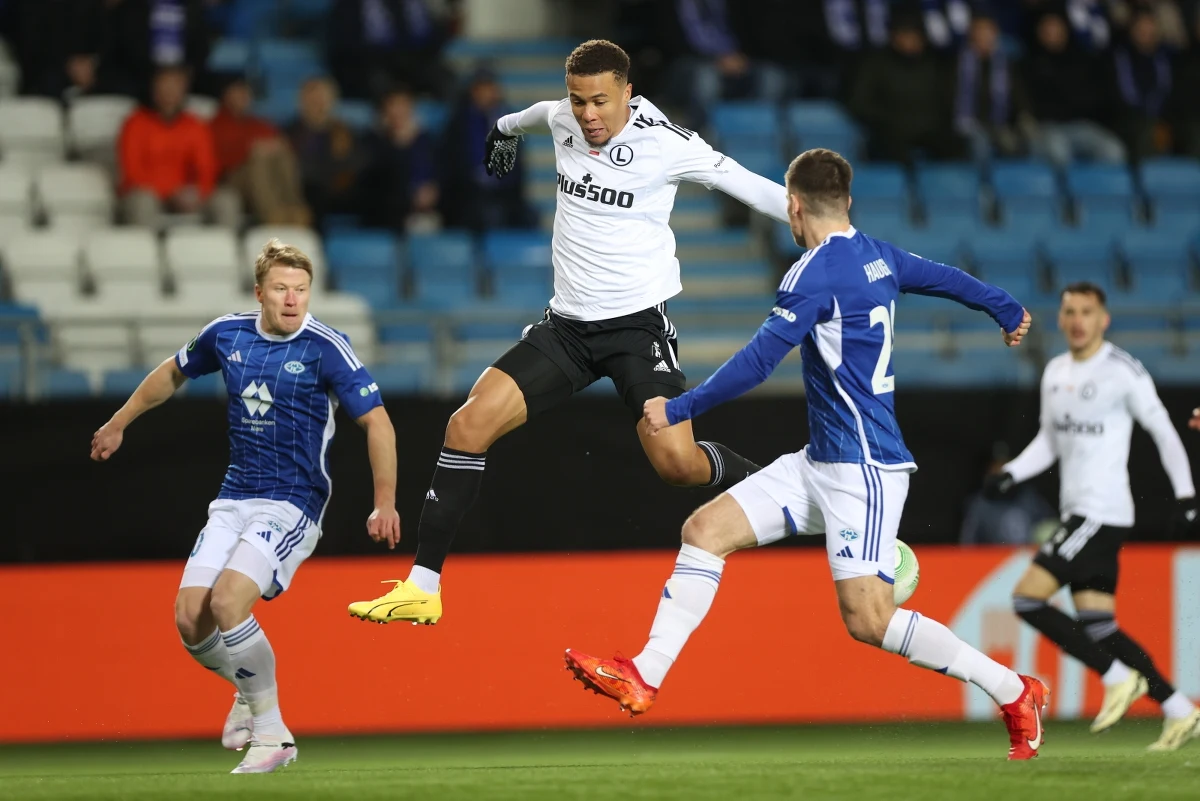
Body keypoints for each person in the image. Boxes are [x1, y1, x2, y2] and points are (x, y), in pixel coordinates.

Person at [564, 148, 1050, 761]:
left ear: (793, 206)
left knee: (868, 621)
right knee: (705, 529)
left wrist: (678, 410)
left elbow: (759, 363)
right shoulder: (879, 255)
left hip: (863, 469)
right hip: (820, 461)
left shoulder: (811, 273)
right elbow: (946, 277)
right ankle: (645, 674)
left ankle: (1013, 690)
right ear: (845, 202)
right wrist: (1005, 307)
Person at [347, 39, 790, 625]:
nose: (588, 115)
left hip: (636, 333)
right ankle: (422, 587)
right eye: (579, 101)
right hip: (567, 330)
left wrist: (828, 228)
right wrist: (501, 133)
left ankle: (787, 490)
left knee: (677, 466)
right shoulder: (562, 118)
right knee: (466, 424)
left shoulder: (667, 143)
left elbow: (749, 185)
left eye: (600, 102)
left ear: (628, 92)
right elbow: (523, 117)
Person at [89, 239, 400, 773]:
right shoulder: (226, 334)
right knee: (191, 618)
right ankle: (248, 694)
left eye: (301, 290)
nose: (292, 299)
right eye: (281, 288)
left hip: (293, 500)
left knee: (231, 602)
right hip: (234, 497)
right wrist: (119, 422)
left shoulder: (327, 347)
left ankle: (273, 734)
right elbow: (171, 373)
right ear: (260, 292)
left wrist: (384, 502)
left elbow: (378, 423)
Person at [986, 282, 1200, 752]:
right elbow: (1049, 440)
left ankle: (1118, 676)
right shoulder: (1056, 371)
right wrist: (1013, 473)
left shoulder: (1123, 371)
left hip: (1100, 512)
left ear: (1103, 319)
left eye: (1087, 311)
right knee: (1099, 625)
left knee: (1027, 600)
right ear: (1061, 320)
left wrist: (1186, 495)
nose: (1078, 320)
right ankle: (1179, 709)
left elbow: (1163, 431)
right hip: (1081, 512)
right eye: (1070, 312)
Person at [118, 66, 241, 228]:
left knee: (226, 200)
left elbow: (207, 169)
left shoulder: (195, 125)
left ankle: (224, 251)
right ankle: (146, 252)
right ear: (154, 90)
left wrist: (197, 192)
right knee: (143, 202)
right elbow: (132, 174)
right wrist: (169, 193)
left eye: (175, 85)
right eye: (164, 85)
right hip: (148, 196)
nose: (169, 91)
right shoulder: (135, 123)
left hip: (187, 196)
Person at [210, 75, 311, 226]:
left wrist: (277, 147)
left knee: (283, 155)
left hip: (268, 177)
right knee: (258, 159)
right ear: (226, 95)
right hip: (232, 180)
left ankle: (295, 210)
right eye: (237, 92)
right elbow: (219, 161)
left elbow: (282, 144)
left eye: (245, 92)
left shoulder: (260, 124)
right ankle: (272, 215)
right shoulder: (215, 125)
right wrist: (250, 150)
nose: (242, 96)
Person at [361, 87, 440, 232]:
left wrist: (432, 191)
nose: (398, 111)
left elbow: (438, 173)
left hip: (422, 213)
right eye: (393, 105)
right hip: (381, 214)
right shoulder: (372, 141)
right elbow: (374, 180)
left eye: (403, 105)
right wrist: (398, 145)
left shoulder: (425, 141)